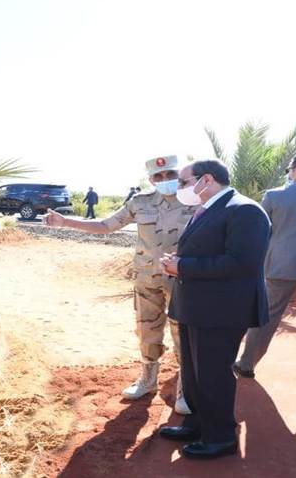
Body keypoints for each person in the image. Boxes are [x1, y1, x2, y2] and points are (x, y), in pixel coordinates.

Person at [45, 156, 196, 414]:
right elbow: (106, 226)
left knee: (183, 332)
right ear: (150, 179)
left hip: (182, 280)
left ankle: (186, 388)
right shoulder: (140, 202)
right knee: (146, 330)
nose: (164, 179)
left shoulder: (194, 200)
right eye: (158, 176)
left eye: (170, 174)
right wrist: (66, 222)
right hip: (146, 279)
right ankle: (148, 379)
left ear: (179, 174)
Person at [158, 159, 270, 459]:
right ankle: (198, 424)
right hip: (197, 307)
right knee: (194, 374)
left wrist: (183, 266)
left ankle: (220, 437)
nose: (179, 188)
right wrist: (177, 263)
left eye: (183, 181)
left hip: (221, 310)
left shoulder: (244, 210)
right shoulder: (209, 208)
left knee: (213, 375)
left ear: (206, 180)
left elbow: (242, 262)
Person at [234, 153, 296, 387]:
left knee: (267, 316)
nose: (289, 174)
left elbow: (259, 229)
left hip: (280, 267)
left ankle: (247, 365)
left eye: (289, 170)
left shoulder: (275, 196)